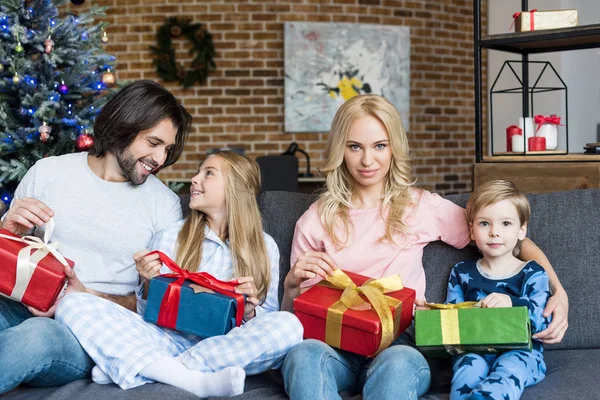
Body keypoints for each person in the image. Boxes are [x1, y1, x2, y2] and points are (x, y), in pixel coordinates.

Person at [279, 94, 568, 399]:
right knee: (302, 356)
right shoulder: (314, 221)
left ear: (394, 148)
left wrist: (558, 290)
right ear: (341, 149)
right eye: (355, 147)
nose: (367, 160)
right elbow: (296, 320)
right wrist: (290, 288)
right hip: (336, 345)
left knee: (400, 364)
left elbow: (507, 238)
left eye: (380, 145)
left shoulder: (419, 206)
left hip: (401, 342)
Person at [55, 151, 303, 398]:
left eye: (208, 174)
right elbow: (146, 314)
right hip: (164, 338)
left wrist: (250, 312)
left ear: (236, 187)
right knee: (72, 303)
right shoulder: (172, 236)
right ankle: (188, 378)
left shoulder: (264, 246)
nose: (195, 179)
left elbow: (268, 317)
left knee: (288, 326)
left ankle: (151, 367)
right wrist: (147, 282)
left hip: (226, 347)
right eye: (198, 172)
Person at [0, 80, 191, 394]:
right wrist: (9, 232)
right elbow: (7, 262)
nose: (159, 158)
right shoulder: (47, 172)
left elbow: (157, 309)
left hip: (88, 332)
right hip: (20, 305)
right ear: (123, 125)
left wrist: (83, 296)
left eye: (167, 149)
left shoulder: (164, 206)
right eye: (153, 143)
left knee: (36, 337)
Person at [446, 180, 550, 399]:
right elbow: (451, 320)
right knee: (467, 370)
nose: (494, 232)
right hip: (473, 349)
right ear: (472, 230)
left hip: (522, 352)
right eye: (484, 224)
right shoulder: (460, 271)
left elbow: (543, 322)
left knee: (509, 369)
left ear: (522, 230)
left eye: (506, 224)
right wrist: (430, 314)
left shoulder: (533, 272)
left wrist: (512, 304)